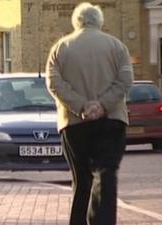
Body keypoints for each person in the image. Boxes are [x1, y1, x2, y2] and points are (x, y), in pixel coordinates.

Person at [45, 2, 133, 225]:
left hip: (74, 123)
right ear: (99, 22)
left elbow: (53, 82)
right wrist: (102, 105)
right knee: (106, 175)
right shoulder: (117, 46)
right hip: (112, 120)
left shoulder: (60, 48)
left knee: (82, 179)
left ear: (76, 22)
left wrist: (82, 106)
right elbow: (125, 80)